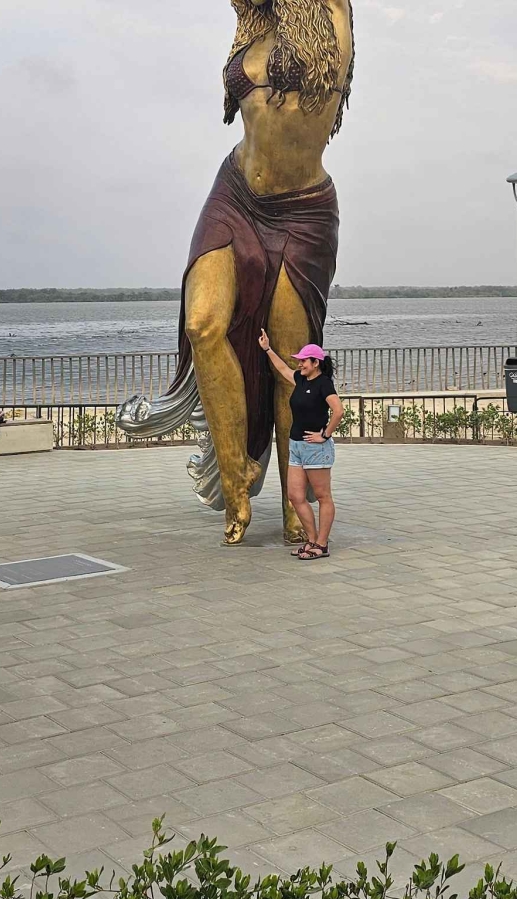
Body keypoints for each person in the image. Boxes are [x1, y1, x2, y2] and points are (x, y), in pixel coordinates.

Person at [116, 0, 355, 546]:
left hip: (303, 210)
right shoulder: (255, 26)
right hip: (235, 194)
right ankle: (237, 480)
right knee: (203, 323)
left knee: (290, 363)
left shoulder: (331, 13)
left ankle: (294, 500)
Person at [259, 331, 343, 559]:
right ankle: (312, 539)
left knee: (323, 496)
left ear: (316, 363)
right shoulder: (301, 379)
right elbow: (283, 369)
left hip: (316, 448)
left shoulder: (324, 384)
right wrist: (267, 349)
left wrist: (324, 435)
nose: (300, 364)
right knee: (295, 496)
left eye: (304, 361)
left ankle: (322, 544)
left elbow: (338, 411)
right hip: (295, 445)